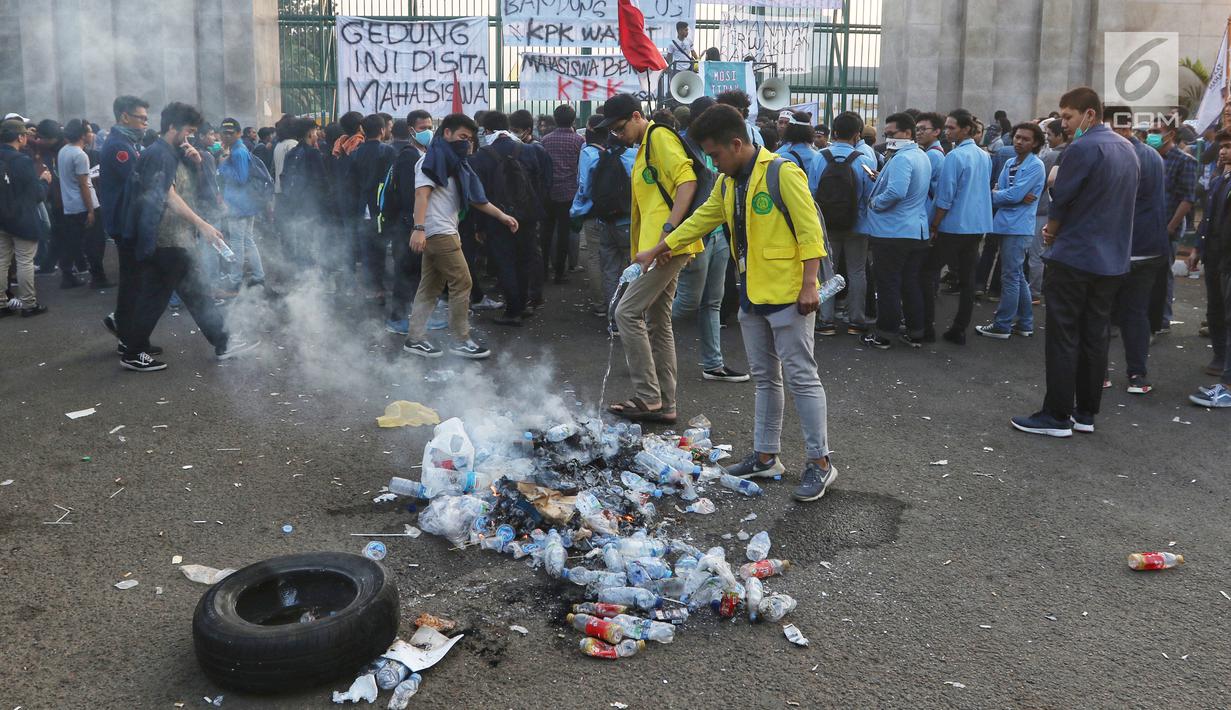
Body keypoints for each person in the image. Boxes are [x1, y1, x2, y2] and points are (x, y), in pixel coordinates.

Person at [634, 104, 836, 502]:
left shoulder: (782, 172)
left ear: (737, 143)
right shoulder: (727, 183)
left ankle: (821, 463)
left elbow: (810, 230)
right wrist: (660, 246)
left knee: (801, 377)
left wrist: (810, 284)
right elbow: (701, 219)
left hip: (790, 295)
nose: (711, 160)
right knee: (765, 378)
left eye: (715, 153)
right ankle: (765, 456)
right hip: (752, 294)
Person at [1011, 87, 1139, 437]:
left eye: (1067, 116)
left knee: (1064, 335)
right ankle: (1085, 412)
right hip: (1111, 259)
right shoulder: (1128, 148)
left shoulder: (1083, 148)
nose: (1062, 123)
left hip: (1076, 256)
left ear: (1089, 115)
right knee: (1095, 336)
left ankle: (1056, 415)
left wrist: (1051, 231)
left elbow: (1062, 199)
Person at [117, 102, 259, 371]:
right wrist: (202, 225)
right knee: (181, 294)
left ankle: (136, 349)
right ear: (173, 127)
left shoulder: (173, 153)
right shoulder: (159, 154)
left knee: (179, 295)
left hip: (175, 237)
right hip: (167, 238)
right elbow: (168, 196)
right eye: (188, 131)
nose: (190, 137)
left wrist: (197, 163)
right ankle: (137, 349)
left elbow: (194, 190)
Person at [599, 93, 702, 423]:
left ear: (634, 116)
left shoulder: (658, 136)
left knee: (626, 312)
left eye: (618, 128)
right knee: (658, 321)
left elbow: (687, 181)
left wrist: (667, 235)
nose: (617, 135)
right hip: (658, 249)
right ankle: (665, 404)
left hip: (665, 248)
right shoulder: (646, 145)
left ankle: (648, 397)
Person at [402, 113, 519, 360]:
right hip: (439, 232)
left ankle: (415, 338)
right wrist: (419, 228)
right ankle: (461, 339)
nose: (466, 143)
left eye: (469, 138)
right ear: (446, 133)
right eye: (461, 137)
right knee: (462, 282)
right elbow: (421, 196)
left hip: (440, 231)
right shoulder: (430, 162)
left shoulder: (453, 164)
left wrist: (502, 216)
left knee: (430, 287)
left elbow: (478, 199)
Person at [1100, 106, 1168, 394]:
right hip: (1149, 248)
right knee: (1136, 314)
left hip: (1118, 247)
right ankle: (1137, 377)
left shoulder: (1117, 155)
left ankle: (1099, 373)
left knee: (1100, 311)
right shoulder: (1153, 156)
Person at [469, 110, 548, 326]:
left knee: (505, 263)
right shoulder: (530, 150)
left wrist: (480, 226)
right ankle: (524, 304)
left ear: (486, 130)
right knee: (525, 260)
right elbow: (543, 183)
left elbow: (478, 195)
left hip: (497, 218)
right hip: (527, 218)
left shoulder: (482, 156)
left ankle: (512, 310)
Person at [859, 112, 931, 349]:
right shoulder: (920, 156)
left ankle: (884, 334)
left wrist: (874, 202)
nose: (888, 138)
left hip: (893, 232)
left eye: (892, 134)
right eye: (886, 134)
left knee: (888, 283)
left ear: (907, 133)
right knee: (910, 283)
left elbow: (897, 192)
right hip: (915, 230)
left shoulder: (901, 158)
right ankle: (915, 331)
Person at [924, 108, 993, 345]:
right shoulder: (984, 156)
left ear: (965, 129)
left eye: (952, 127)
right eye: (947, 127)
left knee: (928, 272)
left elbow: (945, 197)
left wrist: (934, 223)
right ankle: (959, 328)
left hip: (953, 225)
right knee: (967, 279)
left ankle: (927, 325)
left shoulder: (954, 157)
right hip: (976, 225)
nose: (947, 131)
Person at [975, 122, 1046, 340]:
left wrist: (999, 194)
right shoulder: (1009, 163)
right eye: (1017, 137)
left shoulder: (1036, 165)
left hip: (1018, 227)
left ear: (1035, 143)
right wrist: (1006, 194)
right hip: (1006, 223)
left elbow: (1010, 195)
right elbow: (1008, 193)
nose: (1019, 142)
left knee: (1010, 276)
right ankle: (1024, 323)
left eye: (1026, 139)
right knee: (1015, 275)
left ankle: (1003, 324)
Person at [817, 112, 879, 336]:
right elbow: (871, 195)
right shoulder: (865, 159)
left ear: (833, 132)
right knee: (857, 271)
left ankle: (826, 320)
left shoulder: (819, 157)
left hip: (826, 225)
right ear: (857, 134)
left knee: (827, 271)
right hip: (858, 224)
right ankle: (856, 321)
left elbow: (812, 193)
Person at [99, 95, 150, 347]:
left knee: (136, 280)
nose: (145, 123)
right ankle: (127, 334)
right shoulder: (120, 146)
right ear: (124, 117)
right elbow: (137, 181)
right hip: (125, 223)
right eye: (141, 118)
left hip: (127, 221)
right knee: (133, 281)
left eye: (146, 118)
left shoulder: (126, 143)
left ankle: (126, 328)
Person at [572, 114, 635, 320]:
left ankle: (610, 314)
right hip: (629, 220)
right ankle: (630, 315)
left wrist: (577, 211)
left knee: (605, 266)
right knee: (632, 267)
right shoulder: (634, 156)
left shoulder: (590, 153)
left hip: (600, 219)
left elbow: (584, 187)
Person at [1187, 130, 1231, 408]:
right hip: (1216, 258)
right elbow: (1209, 220)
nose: (1223, 151)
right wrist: (1197, 249)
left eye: (1228, 147)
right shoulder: (1219, 180)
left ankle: (1227, 386)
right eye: (1223, 147)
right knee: (1217, 311)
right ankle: (1221, 362)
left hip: (1228, 259)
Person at [385, 110, 434, 335]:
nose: (428, 131)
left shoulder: (422, 152)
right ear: (411, 130)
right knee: (405, 271)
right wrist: (417, 224)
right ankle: (397, 318)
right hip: (406, 224)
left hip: (413, 222)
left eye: (430, 127)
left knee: (416, 272)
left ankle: (416, 315)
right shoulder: (408, 155)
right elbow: (409, 194)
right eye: (423, 128)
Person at [1148, 115, 1198, 335]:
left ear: (1171, 134)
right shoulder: (1148, 157)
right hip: (1144, 226)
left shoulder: (1184, 161)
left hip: (1166, 228)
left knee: (1162, 275)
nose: (1152, 135)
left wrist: (1170, 227)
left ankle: (1162, 319)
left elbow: (1187, 199)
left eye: (1157, 131)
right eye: (1151, 130)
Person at [0, 119, 52, 317]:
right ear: (20, 137)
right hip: (22, 218)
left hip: (1, 217)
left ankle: (1, 303)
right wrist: (44, 182)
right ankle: (28, 304)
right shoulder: (22, 160)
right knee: (24, 261)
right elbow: (36, 194)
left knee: (1, 260)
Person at [347, 114, 397, 300]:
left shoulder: (355, 153)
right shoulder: (388, 152)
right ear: (382, 130)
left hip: (364, 208)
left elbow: (350, 184)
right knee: (383, 248)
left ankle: (372, 288)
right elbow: (393, 182)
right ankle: (383, 288)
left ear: (363, 131)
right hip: (383, 209)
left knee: (368, 249)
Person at [216, 117, 266, 295]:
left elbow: (241, 178)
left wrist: (223, 166)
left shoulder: (237, 152)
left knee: (238, 243)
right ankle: (259, 276)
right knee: (248, 241)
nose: (226, 136)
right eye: (224, 133)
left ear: (238, 133)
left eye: (230, 133)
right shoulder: (237, 149)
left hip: (239, 206)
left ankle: (235, 280)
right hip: (244, 205)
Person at [57, 119, 108, 288]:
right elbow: (83, 185)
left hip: (70, 205)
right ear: (82, 135)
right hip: (85, 204)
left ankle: (68, 276)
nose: (92, 134)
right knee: (95, 242)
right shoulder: (80, 155)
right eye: (89, 131)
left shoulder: (64, 150)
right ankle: (98, 278)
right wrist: (91, 211)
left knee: (73, 241)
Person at [540, 104, 586, 284]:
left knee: (546, 232)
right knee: (564, 233)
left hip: (548, 192)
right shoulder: (579, 141)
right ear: (573, 120)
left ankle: (543, 270)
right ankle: (560, 272)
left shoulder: (545, 140)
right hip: (569, 193)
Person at [1029, 118, 1068, 301]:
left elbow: (1039, 181)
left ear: (1060, 135)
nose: (1047, 139)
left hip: (1042, 209)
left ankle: (1033, 292)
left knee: (1036, 255)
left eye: (1050, 135)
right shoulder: (1070, 153)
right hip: (1054, 211)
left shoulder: (1051, 156)